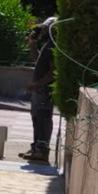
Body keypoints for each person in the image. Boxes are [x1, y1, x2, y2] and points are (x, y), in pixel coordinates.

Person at [20, 17, 56, 164]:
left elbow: (53, 72)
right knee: (36, 118)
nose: (43, 31)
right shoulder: (48, 45)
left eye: (45, 28)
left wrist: (37, 84)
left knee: (43, 119)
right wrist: (32, 43)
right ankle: (36, 148)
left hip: (45, 90)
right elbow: (37, 59)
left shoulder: (54, 46)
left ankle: (42, 150)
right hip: (40, 90)